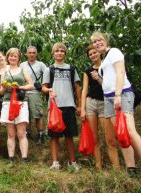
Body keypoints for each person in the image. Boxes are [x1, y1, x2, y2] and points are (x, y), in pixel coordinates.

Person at [91, 32, 141, 180]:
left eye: (99, 40)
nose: (97, 43)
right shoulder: (103, 62)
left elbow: (121, 72)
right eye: (94, 42)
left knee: (131, 132)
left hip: (121, 95)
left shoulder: (114, 52)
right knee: (122, 135)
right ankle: (131, 168)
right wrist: (99, 79)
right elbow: (106, 84)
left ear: (106, 40)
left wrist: (118, 95)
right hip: (108, 98)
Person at [42, 42, 81, 171]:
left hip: (69, 105)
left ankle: (72, 162)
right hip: (55, 107)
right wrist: (49, 91)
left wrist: (79, 105)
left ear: (65, 53)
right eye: (57, 51)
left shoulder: (71, 68)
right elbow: (44, 87)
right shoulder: (49, 69)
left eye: (62, 51)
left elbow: (77, 87)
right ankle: (55, 162)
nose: (59, 53)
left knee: (69, 135)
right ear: (53, 53)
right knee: (54, 136)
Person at [80, 45, 120, 170]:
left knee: (110, 139)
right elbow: (84, 90)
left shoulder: (107, 67)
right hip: (91, 103)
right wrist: (82, 109)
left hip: (105, 103)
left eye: (95, 52)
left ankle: (116, 169)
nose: (93, 55)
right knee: (94, 138)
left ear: (100, 53)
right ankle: (98, 167)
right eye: (90, 54)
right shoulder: (88, 71)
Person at [0, 48, 34, 163]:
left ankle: (24, 158)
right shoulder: (5, 72)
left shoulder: (23, 70)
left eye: (15, 56)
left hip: (20, 102)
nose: (13, 58)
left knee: (21, 132)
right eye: (11, 56)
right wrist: (4, 87)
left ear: (19, 58)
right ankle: (11, 157)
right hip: (8, 102)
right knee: (10, 133)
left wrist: (20, 87)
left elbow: (31, 85)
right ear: (7, 57)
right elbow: (1, 92)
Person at [20, 46, 47, 144]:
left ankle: (40, 134)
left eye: (33, 53)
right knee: (25, 114)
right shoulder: (22, 65)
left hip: (35, 92)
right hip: (24, 92)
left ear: (36, 54)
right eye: (29, 53)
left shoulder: (41, 64)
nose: (31, 54)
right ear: (26, 54)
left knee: (37, 114)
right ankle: (28, 133)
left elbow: (47, 75)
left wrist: (43, 87)